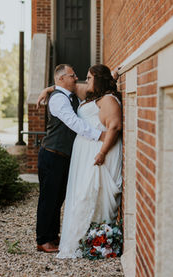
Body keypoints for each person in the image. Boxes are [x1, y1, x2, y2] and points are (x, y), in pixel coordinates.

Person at [36, 64, 105, 253]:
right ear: (61, 79)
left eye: (75, 75)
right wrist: (99, 135)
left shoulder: (68, 94)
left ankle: (52, 236)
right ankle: (43, 240)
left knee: (57, 199)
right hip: (52, 155)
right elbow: (73, 122)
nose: (76, 78)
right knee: (48, 199)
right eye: (72, 75)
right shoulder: (58, 99)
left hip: (62, 156)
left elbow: (94, 85)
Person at [56, 64, 122, 258]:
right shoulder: (96, 98)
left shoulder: (108, 100)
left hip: (98, 153)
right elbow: (64, 85)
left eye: (89, 78)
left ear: (98, 80)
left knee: (92, 192)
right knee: (82, 193)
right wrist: (49, 89)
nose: (86, 81)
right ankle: (88, 239)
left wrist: (102, 152)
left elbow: (115, 127)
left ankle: (95, 239)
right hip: (85, 154)